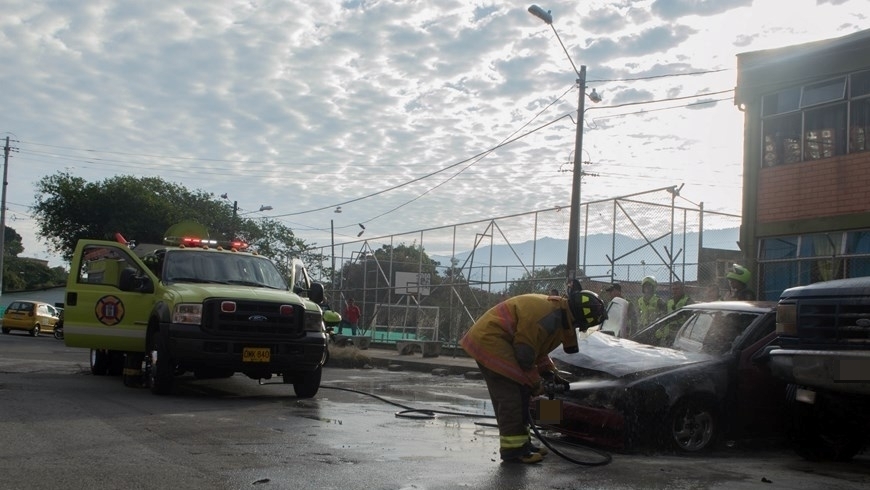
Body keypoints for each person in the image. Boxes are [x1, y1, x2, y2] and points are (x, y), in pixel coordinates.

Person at [460, 282, 606, 464]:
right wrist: (537, 383)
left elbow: (539, 349)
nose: (579, 329)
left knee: (522, 394)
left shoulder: (559, 314)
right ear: (579, 319)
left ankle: (523, 444)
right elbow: (524, 355)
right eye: (582, 326)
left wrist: (550, 373)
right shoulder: (550, 317)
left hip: (500, 342)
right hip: (492, 342)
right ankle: (513, 451)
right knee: (511, 398)